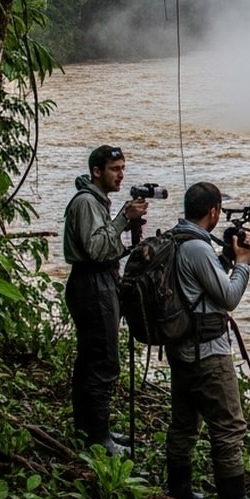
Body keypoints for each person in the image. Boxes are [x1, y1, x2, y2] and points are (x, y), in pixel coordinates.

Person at [163, 181, 250, 499]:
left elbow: (200, 284)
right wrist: (242, 262)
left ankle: (178, 490)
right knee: (228, 426)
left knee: (183, 422)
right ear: (213, 212)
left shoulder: (177, 238)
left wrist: (224, 257)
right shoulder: (197, 249)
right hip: (207, 353)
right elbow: (228, 297)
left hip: (181, 347)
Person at [62, 144, 148, 455]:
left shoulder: (97, 201)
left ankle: (92, 430)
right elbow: (95, 249)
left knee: (92, 359)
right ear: (96, 171)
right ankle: (98, 438)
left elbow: (103, 245)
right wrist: (125, 218)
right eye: (114, 169)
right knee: (102, 361)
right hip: (92, 283)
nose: (120, 174)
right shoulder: (87, 202)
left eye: (123, 168)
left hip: (96, 281)